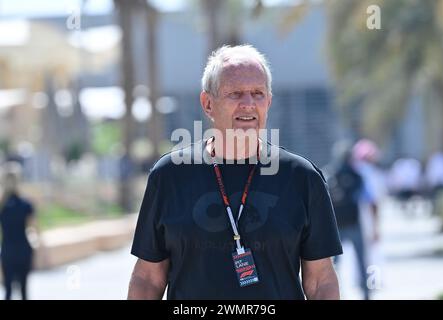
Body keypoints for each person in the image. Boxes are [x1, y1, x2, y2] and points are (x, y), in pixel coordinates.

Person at [128, 44, 343, 300]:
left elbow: (320, 281)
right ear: (208, 103)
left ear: (269, 102)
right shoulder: (169, 175)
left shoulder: (303, 177)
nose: (248, 104)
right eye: (235, 94)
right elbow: (148, 278)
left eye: (258, 93)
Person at [326, 142, 371, 300]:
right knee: (361, 262)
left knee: (332, 266)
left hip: (336, 226)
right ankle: (366, 294)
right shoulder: (357, 176)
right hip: (354, 223)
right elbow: (364, 197)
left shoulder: (329, 175)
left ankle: (337, 295)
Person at [0, 162, 37, 300]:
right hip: (23, 250)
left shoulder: (1, 205)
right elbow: (33, 229)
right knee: (24, 291)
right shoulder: (26, 204)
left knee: (8, 291)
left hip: (7, 250)